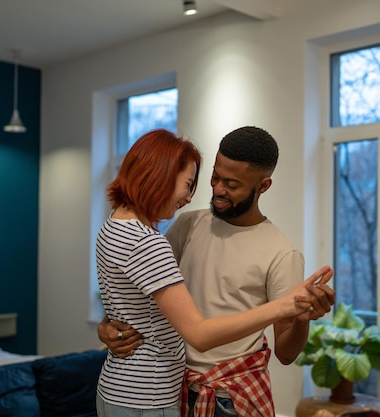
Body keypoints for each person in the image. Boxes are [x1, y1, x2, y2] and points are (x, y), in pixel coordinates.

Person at [98, 126, 336, 417]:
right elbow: (142, 291)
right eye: (214, 177)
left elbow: (286, 354)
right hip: (173, 388)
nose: (217, 189)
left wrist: (301, 317)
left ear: (263, 186)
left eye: (232, 184)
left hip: (229, 399)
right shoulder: (187, 225)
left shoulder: (282, 253)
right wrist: (108, 325)